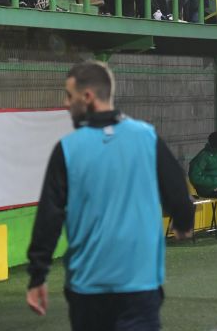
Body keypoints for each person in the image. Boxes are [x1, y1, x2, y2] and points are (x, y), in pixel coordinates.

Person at [26, 60, 195, 329]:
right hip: (139, 284)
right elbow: (177, 189)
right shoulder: (146, 137)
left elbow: (50, 215)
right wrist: (184, 222)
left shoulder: (68, 149)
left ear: (88, 96)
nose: (66, 103)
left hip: (88, 287)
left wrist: (38, 276)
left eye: (69, 96)